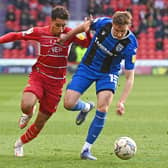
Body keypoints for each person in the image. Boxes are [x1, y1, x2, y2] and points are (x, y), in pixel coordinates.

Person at [0, 6, 91, 157]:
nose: (61, 28)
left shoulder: (69, 33)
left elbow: (87, 44)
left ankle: (19, 144)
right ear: (51, 21)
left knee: (41, 122)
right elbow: (16, 35)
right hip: (39, 76)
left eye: (63, 25)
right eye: (57, 25)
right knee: (26, 105)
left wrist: (87, 31)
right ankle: (28, 113)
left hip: (56, 83)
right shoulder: (39, 32)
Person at [60, 11, 138, 160]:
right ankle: (86, 107)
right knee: (68, 103)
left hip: (108, 73)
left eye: (123, 30)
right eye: (117, 30)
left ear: (128, 26)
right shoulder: (104, 23)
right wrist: (67, 36)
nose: (120, 33)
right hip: (87, 67)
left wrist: (122, 101)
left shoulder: (131, 44)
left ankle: (86, 149)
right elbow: (85, 25)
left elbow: (129, 77)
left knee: (103, 107)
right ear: (112, 24)